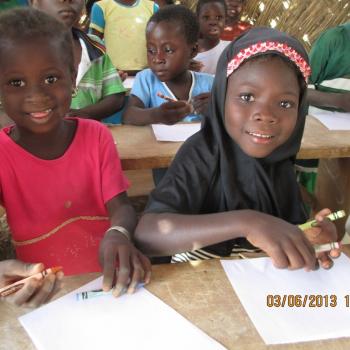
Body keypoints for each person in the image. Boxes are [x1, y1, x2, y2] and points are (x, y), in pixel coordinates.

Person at [135, 27, 342, 270]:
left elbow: (281, 235)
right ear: (221, 95)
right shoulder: (202, 153)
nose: (265, 116)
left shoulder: (280, 161)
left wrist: (308, 238)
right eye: (246, 97)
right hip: (199, 287)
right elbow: (148, 234)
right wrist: (247, 222)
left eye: (285, 103)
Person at [0, 8, 151, 307]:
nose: (37, 95)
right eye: (16, 83)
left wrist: (119, 233)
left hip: (114, 287)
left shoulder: (96, 137)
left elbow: (120, 206)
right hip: (46, 295)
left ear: (72, 77)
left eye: (51, 78)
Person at [30, 0, 126, 123]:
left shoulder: (94, 47)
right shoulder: (20, 52)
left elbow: (116, 97)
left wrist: (83, 114)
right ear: (34, 2)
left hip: (88, 138)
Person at [123, 5, 214, 125]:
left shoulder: (210, 84)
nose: (157, 59)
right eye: (151, 51)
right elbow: (128, 116)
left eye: (168, 50)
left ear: (193, 51)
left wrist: (216, 108)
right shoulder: (146, 79)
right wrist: (156, 115)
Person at [295, 22, 350, 197]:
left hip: (345, 140)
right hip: (317, 133)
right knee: (316, 200)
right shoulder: (334, 39)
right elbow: (300, 89)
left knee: (340, 195)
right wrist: (340, 101)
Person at [89, 0, 159, 75]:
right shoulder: (101, 7)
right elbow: (94, 44)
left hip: (146, 75)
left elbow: (158, 41)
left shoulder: (152, 7)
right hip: (113, 76)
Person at [194, 0, 230, 75]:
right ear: (197, 20)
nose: (213, 22)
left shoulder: (229, 50)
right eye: (206, 17)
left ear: (226, 21)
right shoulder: (185, 53)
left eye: (218, 17)